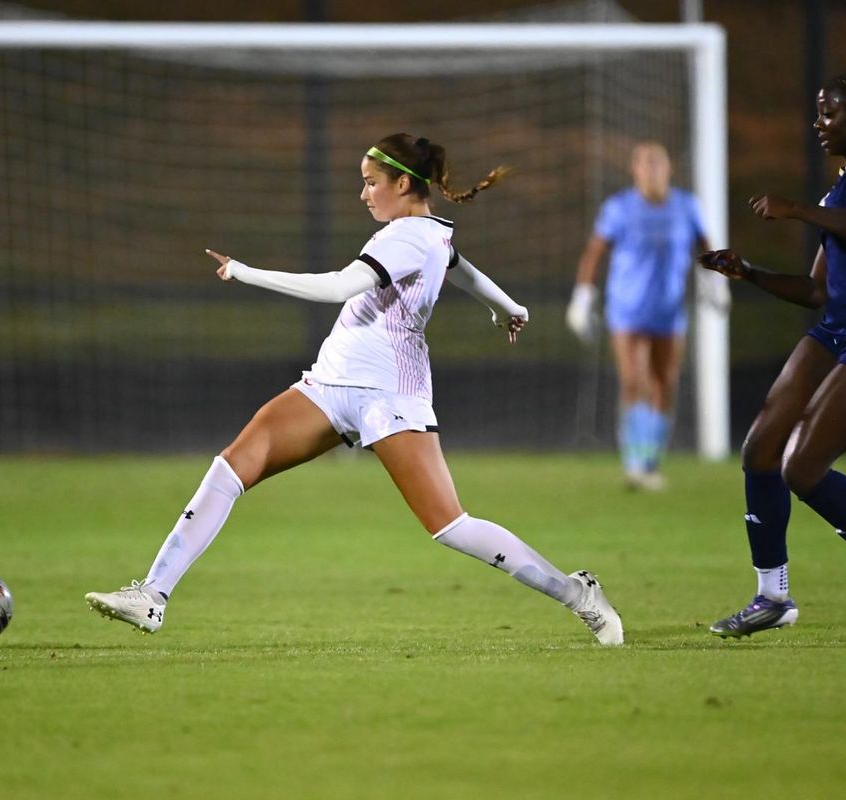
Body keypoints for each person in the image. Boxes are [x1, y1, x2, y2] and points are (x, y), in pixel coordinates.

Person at [86, 133, 624, 646]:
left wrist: (245, 273)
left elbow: (339, 287)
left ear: (404, 184)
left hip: (388, 395)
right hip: (330, 383)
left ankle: (578, 592)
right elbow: (459, 266)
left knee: (451, 526)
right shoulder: (428, 231)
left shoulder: (407, 236)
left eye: (371, 182)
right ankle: (152, 595)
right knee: (232, 466)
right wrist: (508, 307)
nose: (363, 193)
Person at [698, 70, 846, 640]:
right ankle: (772, 595)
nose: (818, 123)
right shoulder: (841, 184)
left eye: (829, 113)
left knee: (802, 467)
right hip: (838, 328)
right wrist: (748, 272)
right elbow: (817, 292)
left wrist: (796, 210)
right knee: (761, 448)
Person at [566, 142, 710, 490]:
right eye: (645, 164)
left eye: (657, 163)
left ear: (669, 168)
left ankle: (650, 459)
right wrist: (583, 296)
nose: (652, 170)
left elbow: (706, 246)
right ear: (635, 171)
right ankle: (634, 462)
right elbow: (594, 253)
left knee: (665, 382)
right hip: (626, 308)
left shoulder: (685, 206)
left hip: (669, 309)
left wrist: (716, 283)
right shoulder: (619, 209)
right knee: (633, 380)